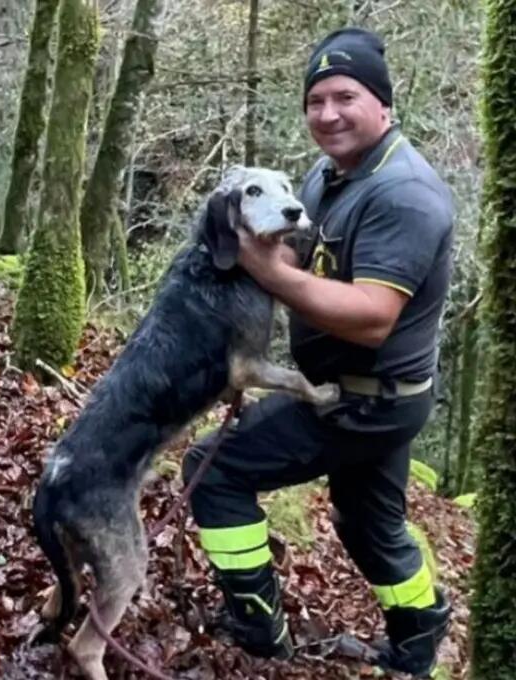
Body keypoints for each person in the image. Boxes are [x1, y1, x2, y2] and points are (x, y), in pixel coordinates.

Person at [182, 27, 453, 676]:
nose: (328, 114)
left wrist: (268, 274)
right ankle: (420, 635)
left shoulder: (403, 193)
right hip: (380, 395)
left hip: (364, 401)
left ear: (382, 104)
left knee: (212, 472)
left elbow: (371, 319)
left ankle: (257, 626)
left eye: (345, 97)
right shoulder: (332, 173)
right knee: (368, 524)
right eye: (316, 101)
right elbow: (298, 249)